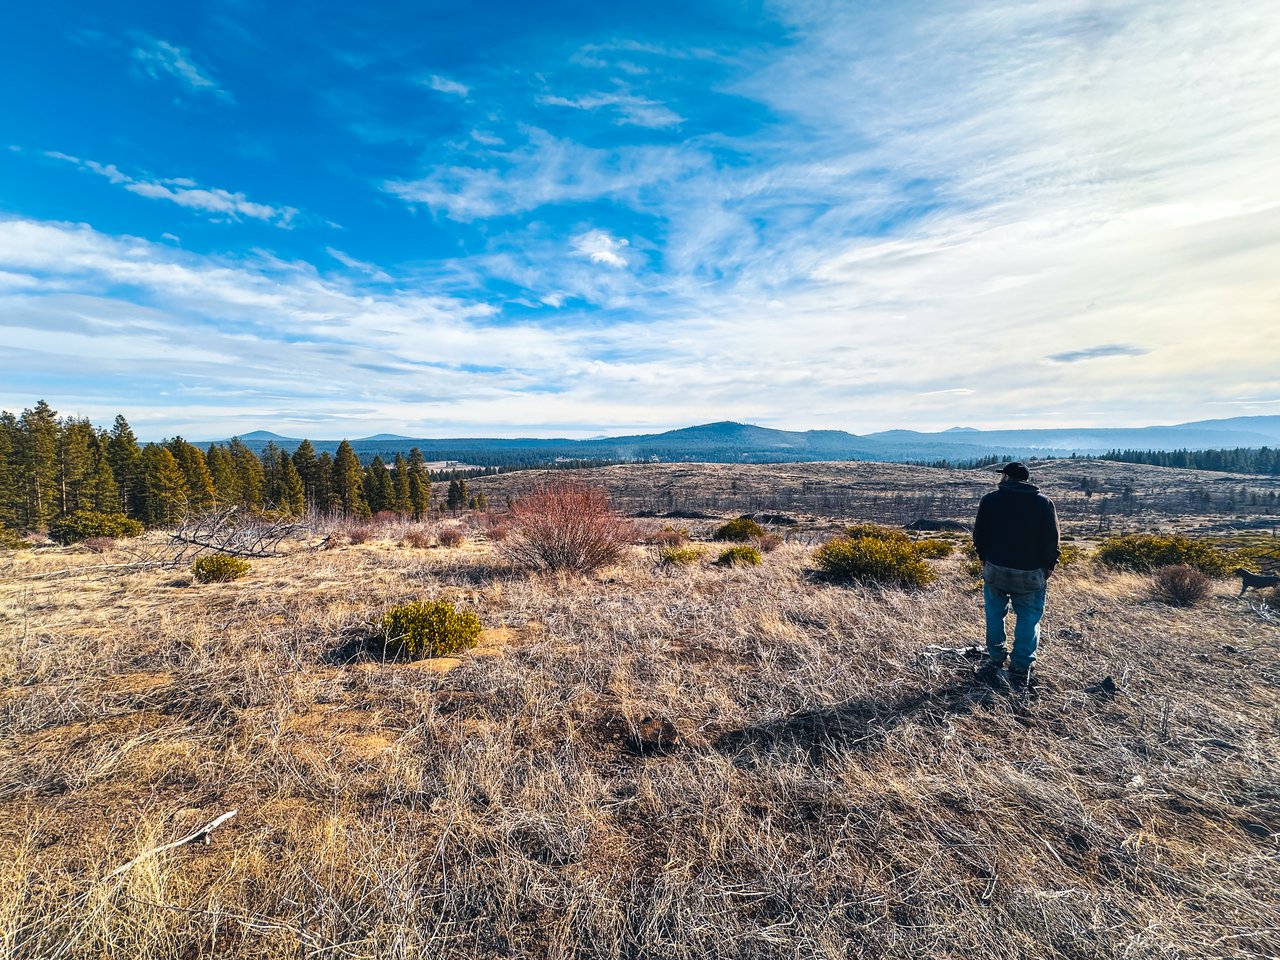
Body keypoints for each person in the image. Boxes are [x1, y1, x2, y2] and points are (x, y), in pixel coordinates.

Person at [972, 461, 1060, 687]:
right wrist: (1049, 566)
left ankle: (995, 658)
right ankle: (1020, 667)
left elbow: (979, 535)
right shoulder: (1043, 503)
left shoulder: (990, 500)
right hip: (1030, 572)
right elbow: (1052, 539)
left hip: (995, 569)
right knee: (1029, 619)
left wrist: (984, 559)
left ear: (1007, 477)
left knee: (994, 614)